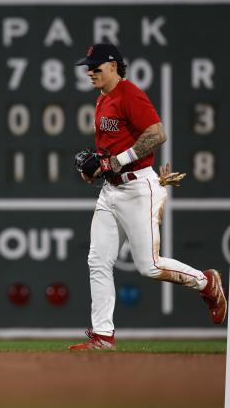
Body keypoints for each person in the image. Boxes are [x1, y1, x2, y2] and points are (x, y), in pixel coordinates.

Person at [69, 43, 227, 350]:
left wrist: (117, 162)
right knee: (97, 260)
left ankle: (207, 282)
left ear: (113, 66)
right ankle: (102, 335)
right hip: (111, 190)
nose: (90, 72)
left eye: (96, 67)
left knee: (149, 265)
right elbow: (106, 156)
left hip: (139, 188)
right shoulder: (102, 100)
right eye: (88, 67)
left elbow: (157, 134)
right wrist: (95, 169)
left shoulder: (129, 94)